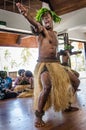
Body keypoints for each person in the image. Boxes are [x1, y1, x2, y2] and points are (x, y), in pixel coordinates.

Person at [16, 3, 79, 127]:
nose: (45, 19)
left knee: (76, 81)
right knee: (47, 86)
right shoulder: (42, 30)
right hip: (44, 64)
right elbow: (35, 24)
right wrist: (26, 15)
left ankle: (66, 105)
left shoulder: (55, 33)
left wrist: (63, 53)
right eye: (43, 18)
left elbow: (54, 50)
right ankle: (38, 116)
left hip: (56, 64)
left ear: (52, 18)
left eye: (47, 17)